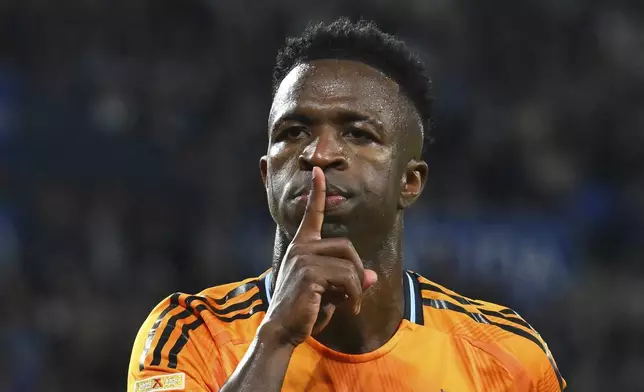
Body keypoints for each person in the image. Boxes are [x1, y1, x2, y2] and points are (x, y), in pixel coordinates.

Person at [127, 18, 566, 392]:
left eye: (357, 134)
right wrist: (276, 338)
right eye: (293, 132)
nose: (318, 154)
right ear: (266, 174)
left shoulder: (508, 359)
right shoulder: (187, 334)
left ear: (409, 182)